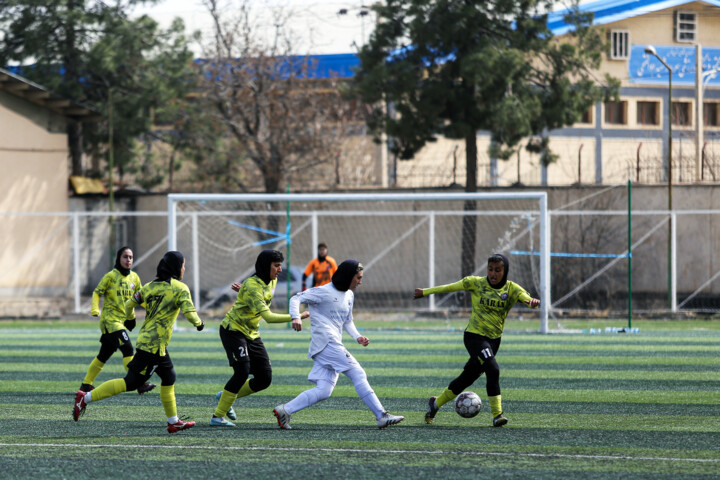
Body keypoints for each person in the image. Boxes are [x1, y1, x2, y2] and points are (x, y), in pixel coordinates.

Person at [72, 251, 205, 434]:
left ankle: (173, 421)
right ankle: (84, 398)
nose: (184, 268)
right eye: (183, 265)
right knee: (131, 382)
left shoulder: (149, 287)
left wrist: (130, 318)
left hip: (151, 342)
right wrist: (199, 323)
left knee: (169, 377)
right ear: (176, 267)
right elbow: (190, 313)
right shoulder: (180, 288)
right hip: (153, 345)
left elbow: (128, 304)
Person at [273, 260, 405, 430]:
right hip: (327, 343)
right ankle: (381, 415)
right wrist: (295, 317)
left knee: (324, 390)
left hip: (326, 346)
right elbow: (296, 298)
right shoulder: (323, 291)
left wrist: (357, 337)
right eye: (358, 277)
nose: (360, 281)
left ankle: (285, 410)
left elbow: (348, 321)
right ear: (349, 276)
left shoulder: (349, 294)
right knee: (358, 373)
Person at [414, 253, 540, 427]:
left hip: (494, 341)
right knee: (493, 369)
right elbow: (450, 287)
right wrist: (425, 292)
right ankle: (497, 415)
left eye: (498, 270)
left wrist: (531, 302)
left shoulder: (512, 289)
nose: (493, 274)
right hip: (474, 337)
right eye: (490, 269)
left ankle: (434, 404)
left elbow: (526, 298)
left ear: (505, 271)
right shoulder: (476, 283)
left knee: (465, 379)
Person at [210, 249, 310, 427]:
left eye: (280, 265)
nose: (280, 270)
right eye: (276, 266)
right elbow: (270, 318)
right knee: (242, 371)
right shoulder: (252, 285)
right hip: (233, 330)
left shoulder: (270, 281)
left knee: (264, 378)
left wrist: (245, 291)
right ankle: (217, 417)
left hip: (252, 332)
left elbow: (257, 296)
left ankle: (225, 394)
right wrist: (296, 316)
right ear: (266, 266)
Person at [78, 246, 154, 396]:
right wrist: (95, 309)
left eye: (131, 257)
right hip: (110, 321)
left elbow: (139, 298)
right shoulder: (111, 276)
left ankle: (85, 385)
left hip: (122, 322)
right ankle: (139, 383)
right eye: (125, 257)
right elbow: (96, 293)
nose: (128, 260)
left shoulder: (134, 278)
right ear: (119, 258)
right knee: (128, 349)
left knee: (103, 355)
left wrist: (151, 309)